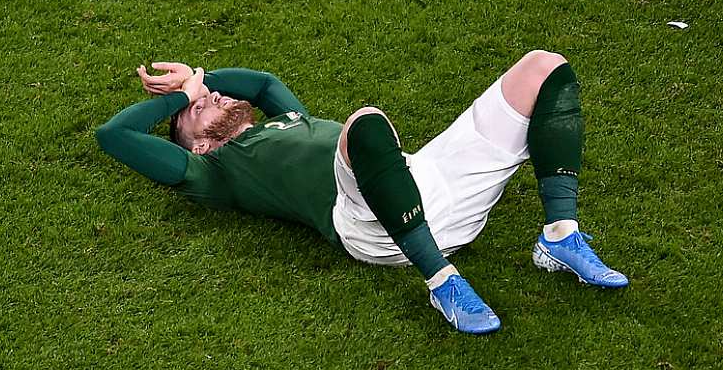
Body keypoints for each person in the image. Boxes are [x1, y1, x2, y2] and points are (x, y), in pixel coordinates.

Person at [96, 50, 628, 335]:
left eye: (206, 93)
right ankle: (443, 281)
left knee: (542, 67)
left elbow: (260, 82)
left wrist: (199, 74)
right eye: (200, 107)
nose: (209, 95)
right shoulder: (211, 173)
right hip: (370, 227)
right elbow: (114, 136)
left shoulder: (286, 118)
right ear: (199, 146)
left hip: (426, 185)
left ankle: (560, 235)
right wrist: (177, 100)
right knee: (367, 125)